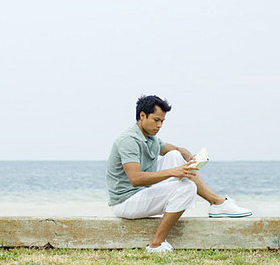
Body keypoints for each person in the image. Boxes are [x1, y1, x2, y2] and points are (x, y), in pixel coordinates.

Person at [106, 95, 252, 253]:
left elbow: (177, 150)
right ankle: (156, 244)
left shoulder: (151, 138)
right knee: (187, 188)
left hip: (142, 192)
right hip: (125, 201)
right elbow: (135, 179)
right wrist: (173, 172)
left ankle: (217, 203)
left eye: (162, 121)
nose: (160, 125)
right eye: (156, 120)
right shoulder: (129, 140)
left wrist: (189, 158)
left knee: (176, 156)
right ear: (142, 116)